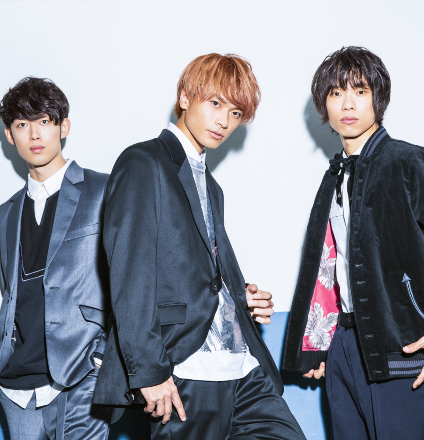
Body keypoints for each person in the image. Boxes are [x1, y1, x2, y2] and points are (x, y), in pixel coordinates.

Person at [282, 46, 424, 439]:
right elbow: (328, 264)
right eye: (336, 93)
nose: (348, 104)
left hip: (403, 349)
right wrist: (317, 343)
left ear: (378, 99)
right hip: (344, 348)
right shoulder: (334, 177)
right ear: (324, 105)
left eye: (360, 91)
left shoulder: (408, 162)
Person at [92, 53, 306, 439]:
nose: (225, 121)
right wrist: (149, 372)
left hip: (241, 366)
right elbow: (130, 273)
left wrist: (238, 297)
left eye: (236, 113)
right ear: (185, 97)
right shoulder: (143, 162)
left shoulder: (210, 185)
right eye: (216, 103)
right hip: (186, 369)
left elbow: (196, 270)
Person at [0, 77, 111, 440]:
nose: (34, 134)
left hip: (81, 374)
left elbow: (129, 279)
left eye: (44, 121)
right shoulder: (6, 213)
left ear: (64, 127)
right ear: (9, 135)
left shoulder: (103, 190)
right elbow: (11, 292)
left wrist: (102, 357)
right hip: (16, 385)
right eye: (22, 124)